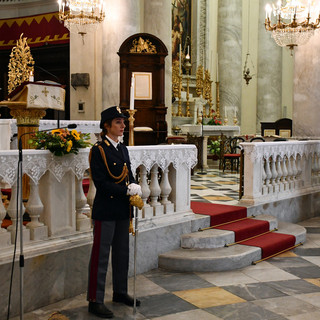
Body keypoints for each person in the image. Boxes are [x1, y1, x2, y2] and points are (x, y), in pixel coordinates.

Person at [87, 106, 142, 318]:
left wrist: (135, 185)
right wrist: (125, 189)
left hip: (123, 209)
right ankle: (95, 300)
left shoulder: (122, 148)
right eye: (118, 122)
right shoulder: (98, 150)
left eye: (123, 122)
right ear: (106, 125)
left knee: (122, 254)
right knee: (101, 256)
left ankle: (120, 292)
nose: (123, 126)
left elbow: (127, 173)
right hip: (106, 209)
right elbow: (101, 183)